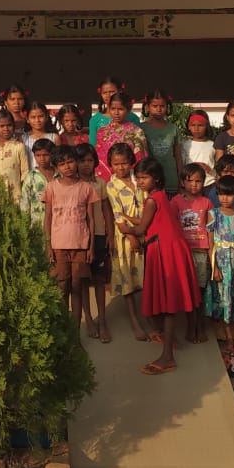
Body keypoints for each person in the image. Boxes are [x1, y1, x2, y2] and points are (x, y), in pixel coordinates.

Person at [123, 158, 200, 375]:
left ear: (156, 178)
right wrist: (132, 220)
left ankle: (167, 357)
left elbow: (141, 230)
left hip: (164, 251)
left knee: (167, 303)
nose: (140, 181)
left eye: (144, 177)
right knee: (168, 299)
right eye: (138, 178)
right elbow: (151, 221)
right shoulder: (161, 196)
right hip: (170, 247)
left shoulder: (150, 200)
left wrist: (125, 229)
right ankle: (168, 338)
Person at [41, 147, 97, 336]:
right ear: (56, 167)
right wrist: (48, 245)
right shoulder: (51, 187)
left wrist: (91, 247)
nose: (67, 167)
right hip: (58, 246)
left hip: (80, 245)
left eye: (70, 162)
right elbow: (48, 218)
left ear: (76, 162)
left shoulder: (86, 188)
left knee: (77, 287)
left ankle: (75, 332)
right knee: (62, 287)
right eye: (62, 164)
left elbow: (91, 219)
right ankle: (63, 330)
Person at [105, 144, 150, 342]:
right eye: (116, 164)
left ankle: (151, 316)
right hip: (125, 237)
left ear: (131, 161)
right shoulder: (111, 186)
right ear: (110, 165)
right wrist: (131, 237)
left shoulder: (139, 178)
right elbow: (118, 215)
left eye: (124, 163)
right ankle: (134, 320)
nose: (121, 167)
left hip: (146, 231)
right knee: (128, 279)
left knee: (147, 276)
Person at [204, 177, 234, 355]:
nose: (224, 198)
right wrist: (214, 268)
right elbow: (210, 244)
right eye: (221, 194)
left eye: (229, 194)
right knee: (224, 301)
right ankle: (229, 339)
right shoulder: (213, 214)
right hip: (221, 264)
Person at [75, 143, 114, 344]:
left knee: (99, 280)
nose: (86, 164)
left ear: (95, 162)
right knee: (82, 280)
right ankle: (89, 319)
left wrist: (110, 234)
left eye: (89, 160)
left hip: (98, 235)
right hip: (78, 238)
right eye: (81, 161)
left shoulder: (100, 183)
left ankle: (103, 321)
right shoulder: (73, 184)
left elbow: (106, 209)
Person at [172, 164, 213, 344]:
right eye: (190, 181)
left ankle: (200, 326)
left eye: (198, 181)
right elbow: (173, 228)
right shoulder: (176, 202)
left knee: (201, 290)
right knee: (188, 290)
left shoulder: (207, 202)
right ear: (182, 182)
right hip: (184, 252)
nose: (194, 185)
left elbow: (210, 229)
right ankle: (190, 325)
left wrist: (211, 253)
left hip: (201, 251)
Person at [93, 91, 148, 180]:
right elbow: (100, 159)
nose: (116, 112)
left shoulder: (137, 132)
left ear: (128, 109)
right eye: (113, 109)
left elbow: (140, 159)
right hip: (106, 178)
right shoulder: (102, 132)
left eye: (120, 109)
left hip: (130, 179)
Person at [0, 109, 29, 201]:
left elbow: (25, 172)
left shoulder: (19, 147)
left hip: (15, 196)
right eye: (2, 126)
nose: (6, 129)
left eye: (9, 125)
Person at [140, 89, 180, 190]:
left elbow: (178, 157)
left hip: (171, 180)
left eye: (162, 106)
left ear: (167, 107)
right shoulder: (141, 129)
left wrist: (181, 179)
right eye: (155, 106)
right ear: (147, 107)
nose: (159, 109)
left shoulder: (173, 129)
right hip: (150, 183)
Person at [89, 77, 140, 144]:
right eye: (104, 92)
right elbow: (93, 147)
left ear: (120, 91)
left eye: (112, 91)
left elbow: (138, 144)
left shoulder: (133, 118)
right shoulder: (95, 120)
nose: (108, 95)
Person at [19, 138, 56, 227]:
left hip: (58, 224)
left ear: (52, 154)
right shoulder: (31, 177)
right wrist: (25, 225)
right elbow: (25, 203)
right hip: (37, 224)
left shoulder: (59, 175)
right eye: (38, 155)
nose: (42, 159)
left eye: (45, 155)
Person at [181, 109, 216, 178]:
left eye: (200, 125)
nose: (196, 128)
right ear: (188, 127)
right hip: (191, 182)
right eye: (193, 125)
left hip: (209, 182)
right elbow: (182, 166)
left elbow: (217, 167)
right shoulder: (185, 145)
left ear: (206, 126)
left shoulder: (213, 145)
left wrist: (211, 171)